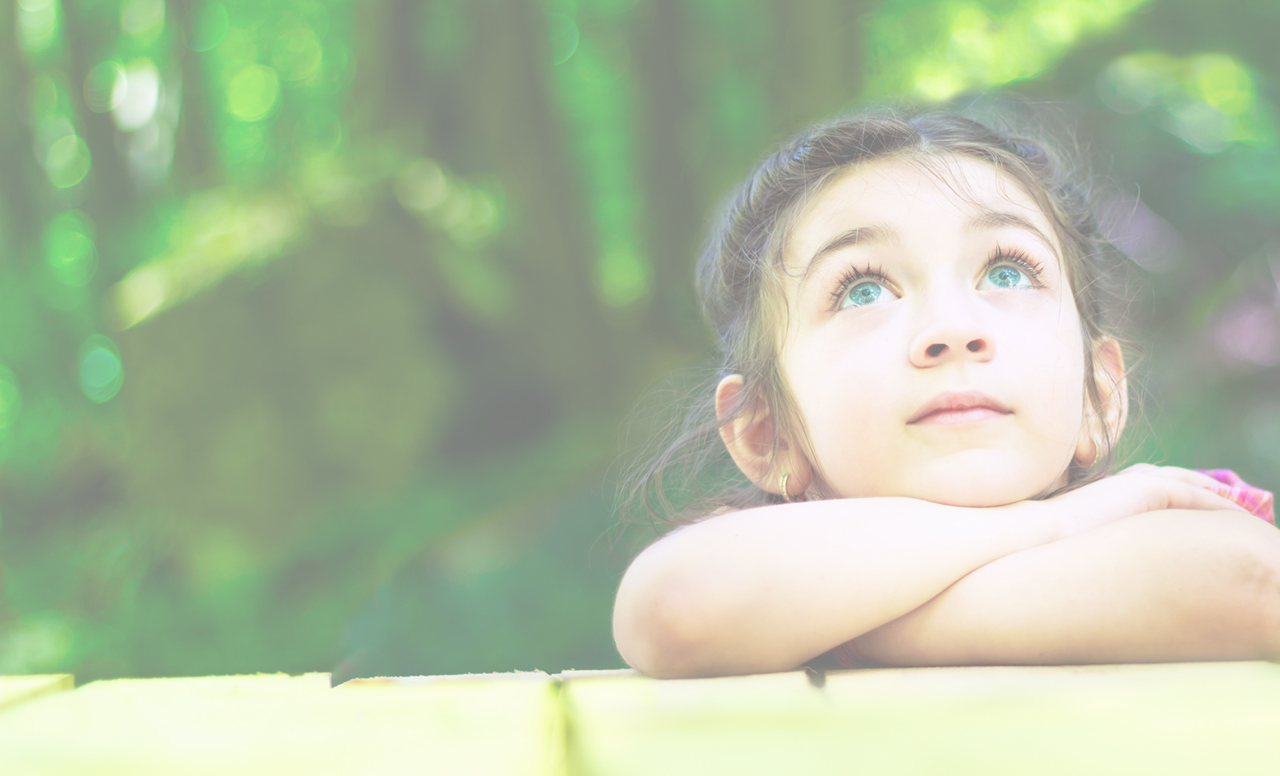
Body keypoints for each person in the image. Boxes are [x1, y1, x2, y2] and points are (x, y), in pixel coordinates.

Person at [612, 106, 1277, 679]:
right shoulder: (754, 564)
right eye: (863, 289)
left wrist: (855, 626)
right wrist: (1049, 523)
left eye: (1008, 271)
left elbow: (1245, 580)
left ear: (1098, 395)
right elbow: (673, 607)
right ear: (768, 435)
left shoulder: (1175, 511)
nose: (953, 330)